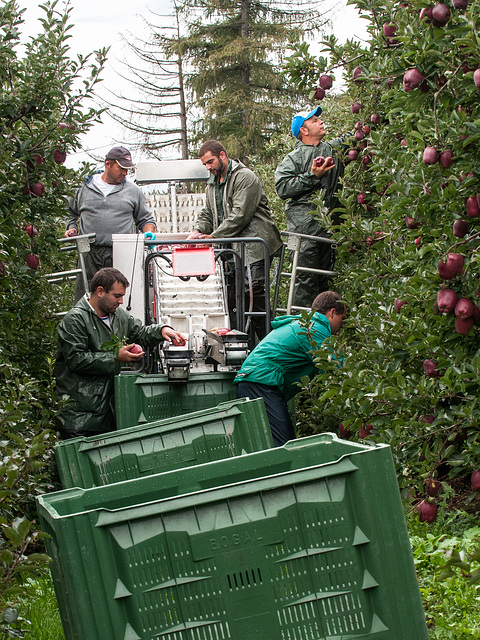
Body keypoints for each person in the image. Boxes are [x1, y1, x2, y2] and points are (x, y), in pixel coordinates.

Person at [55, 267, 184, 439]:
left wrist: (162, 330)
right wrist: (115, 357)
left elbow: (140, 332)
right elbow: (76, 359)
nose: (121, 301)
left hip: (106, 411)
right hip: (79, 416)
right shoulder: (75, 320)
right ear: (100, 291)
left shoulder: (118, 315)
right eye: (117, 296)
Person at [186, 140, 283, 341]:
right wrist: (196, 231)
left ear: (223, 155)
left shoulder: (244, 177)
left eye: (210, 161)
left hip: (254, 246)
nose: (208, 167)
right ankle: (243, 349)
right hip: (232, 250)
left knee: (254, 296)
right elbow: (208, 213)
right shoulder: (212, 185)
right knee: (233, 299)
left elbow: (240, 215)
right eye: (204, 164)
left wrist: (213, 237)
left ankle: (271, 345)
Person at [234, 291, 346, 447]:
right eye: (342, 319)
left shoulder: (303, 323)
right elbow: (335, 366)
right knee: (284, 445)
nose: (342, 325)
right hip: (261, 382)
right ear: (332, 312)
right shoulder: (314, 328)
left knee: (275, 442)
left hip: (256, 380)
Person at [275, 107, 351, 309]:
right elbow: (282, 187)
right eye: (315, 120)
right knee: (305, 282)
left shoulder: (334, 150)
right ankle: (303, 330)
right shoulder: (293, 159)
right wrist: (313, 176)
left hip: (329, 230)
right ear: (304, 131)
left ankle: (321, 336)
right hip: (304, 232)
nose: (321, 122)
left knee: (324, 284)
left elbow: (357, 137)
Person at [65, 146, 156, 301]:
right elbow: (69, 212)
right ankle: (85, 325)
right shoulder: (83, 188)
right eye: (121, 168)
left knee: (119, 299)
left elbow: (146, 219)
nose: (125, 173)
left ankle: (119, 325)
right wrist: (71, 227)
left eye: (128, 169)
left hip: (121, 252)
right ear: (108, 164)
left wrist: (149, 233)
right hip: (90, 253)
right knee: (86, 298)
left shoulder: (133, 191)